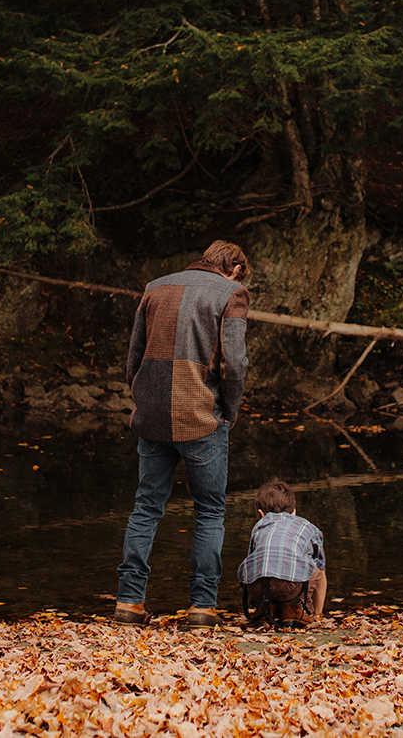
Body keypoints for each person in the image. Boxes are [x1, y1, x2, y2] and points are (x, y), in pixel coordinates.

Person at [114, 240, 251, 628]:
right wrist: (231, 409)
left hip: (153, 416)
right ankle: (202, 607)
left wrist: (141, 396)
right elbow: (235, 363)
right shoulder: (232, 293)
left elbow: (133, 355)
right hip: (200, 416)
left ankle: (129, 603)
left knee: (146, 507)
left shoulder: (156, 286)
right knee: (209, 511)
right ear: (236, 268)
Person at [237, 478, 327, 628]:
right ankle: (293, 609)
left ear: (261, 514)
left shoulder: (259, 525)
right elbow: (321, 573)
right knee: (318, 569)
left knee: (259, 563)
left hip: (259, 588)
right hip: (291, 587)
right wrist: (318, 613)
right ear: (294, 512)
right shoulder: (307, 526)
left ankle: (263, 608)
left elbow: (252, 561)